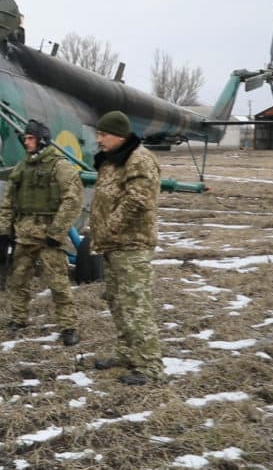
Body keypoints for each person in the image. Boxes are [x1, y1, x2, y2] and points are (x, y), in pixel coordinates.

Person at [90, 110, 164, 386]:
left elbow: (138, 200)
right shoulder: (113, 161)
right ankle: (126, 354)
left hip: (132, 245)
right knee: (118, 303)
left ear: (119, 135)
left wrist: (110, 226)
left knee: (136, 306)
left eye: (103, 134)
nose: (98, 139)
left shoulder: (139, 159)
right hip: (113, 245)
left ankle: (150, 366)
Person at [0, 119, 83, 346]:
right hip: (24, 234)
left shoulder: (60, 166)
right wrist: (4, 228)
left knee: (58, 283)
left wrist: (56, 232)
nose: (26, 142)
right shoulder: (22, 168)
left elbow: (73, 200)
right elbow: (8, 200)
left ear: (42, 140)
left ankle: (68, 326)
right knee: (18, 279)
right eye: (25, 138)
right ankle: (19, 318)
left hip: (48, 236)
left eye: (30, 138)